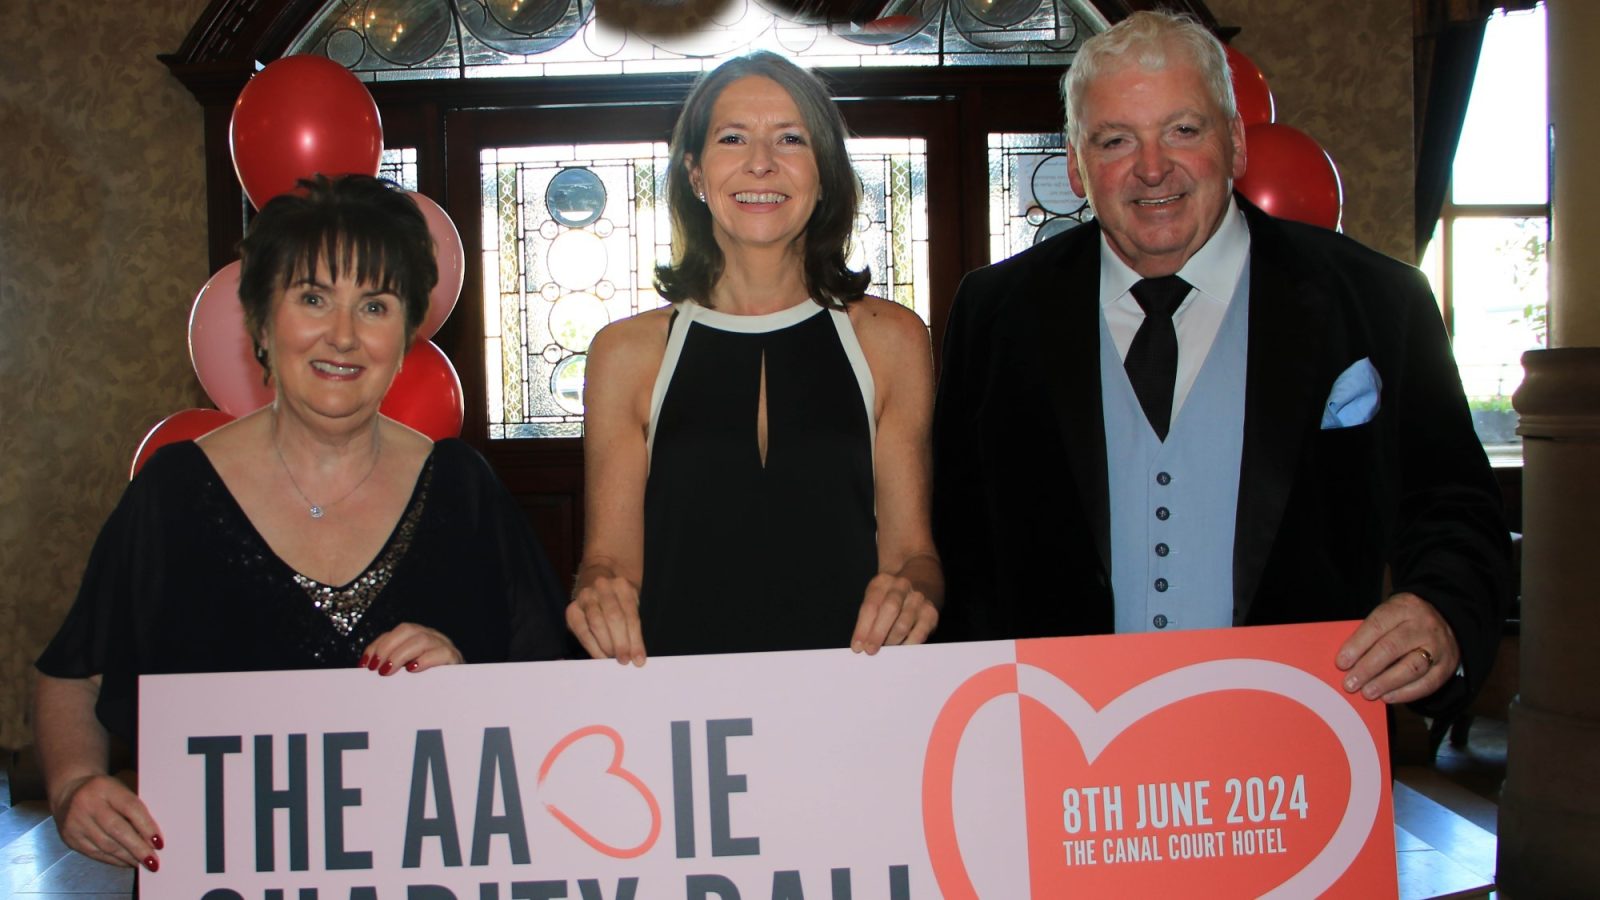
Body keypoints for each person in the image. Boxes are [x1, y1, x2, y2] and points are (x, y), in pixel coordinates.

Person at [932, 11, 1510, 714]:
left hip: (1298, 739)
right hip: (1058, 741)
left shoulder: (1378, 301)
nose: (1152, 168)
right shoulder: (994, 312)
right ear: (1078, 167)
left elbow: (1455, 506)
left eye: (1183, 130)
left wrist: (1441, 610)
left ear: (1235, 141)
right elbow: (958, 541)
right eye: (1116, 140)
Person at [33, 174, 567, 873]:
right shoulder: (173, 494)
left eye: (374, 306)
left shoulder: (466, 493)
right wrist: (74, 785)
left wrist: (469, 688)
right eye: (313, 298)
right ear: (261, 322)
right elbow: (74, 676)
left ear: (406, 335)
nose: (342, 336)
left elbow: (555, 697)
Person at [567, 51, 941, 665]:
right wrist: (598, 594)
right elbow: (607, 562)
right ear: (694, 173)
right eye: (733, 138)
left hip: (854, 691)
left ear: (824, 172)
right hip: (680, 702)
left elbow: (913, 556)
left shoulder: (892, 339)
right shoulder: (625, 353)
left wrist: (915, 592)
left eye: (790, 139)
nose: (761, 163)